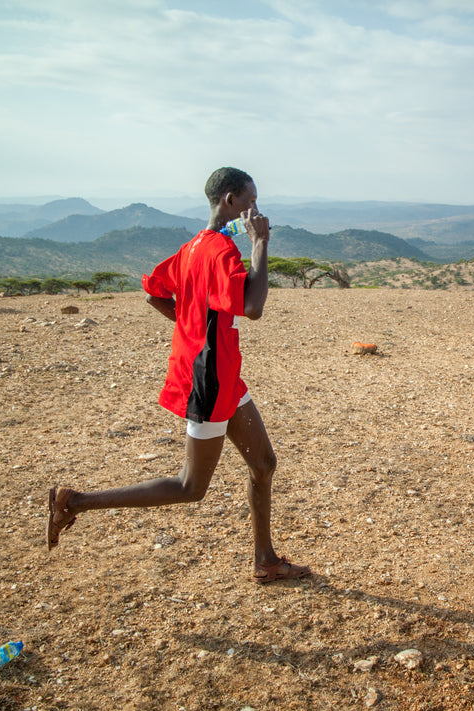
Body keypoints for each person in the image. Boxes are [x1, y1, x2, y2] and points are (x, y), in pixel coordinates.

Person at [45, 167, 310, 584]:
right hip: (209, 381)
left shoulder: (193, 248)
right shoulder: (221, 252)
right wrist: (260, 243)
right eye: (251, 200)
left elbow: (154, 289)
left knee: (263, 463)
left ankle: (265, 560)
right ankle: (75, 502)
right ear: (230, 201)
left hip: (221, 373)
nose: (256, 209)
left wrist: (190, 323)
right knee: (190, 487)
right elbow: (254, 306)